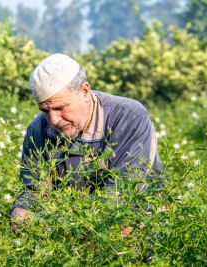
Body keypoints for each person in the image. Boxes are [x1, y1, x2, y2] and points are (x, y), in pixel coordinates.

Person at [10, 53, 163, 233]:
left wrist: (67, 223)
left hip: (136, 217)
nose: (53, 120)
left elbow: (122, 194)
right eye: (45, 110)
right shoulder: (38, 129)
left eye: (60, 108)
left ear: (84, 91)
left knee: (124, 227)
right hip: (73, 223)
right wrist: (21, 211)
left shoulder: (129, 117)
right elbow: (34, 189)